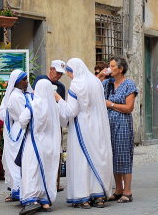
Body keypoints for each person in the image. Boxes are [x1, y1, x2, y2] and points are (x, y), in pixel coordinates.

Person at [55, 58, 113, 209]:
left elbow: (71, 111)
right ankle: (99, 195)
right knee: (97, 158)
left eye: (69, 72)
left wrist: (59, 99)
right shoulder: (96, 82)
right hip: (97, 127)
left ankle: (83, 197)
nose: (69, 76)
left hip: (81, 128)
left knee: (81, 162)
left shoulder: (76, 84)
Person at [18, 79, 64, 214]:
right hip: (50, 145)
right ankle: (45, 202)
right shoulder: (54, 106)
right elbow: (62, 121)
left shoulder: (34, 104)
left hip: (34, 142)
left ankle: (32, 199)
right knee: (48, 171)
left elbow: (22, 120)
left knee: (32, 170)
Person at [100, 56, 138, 204]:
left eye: (112, 66)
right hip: (109, 124)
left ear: (120, 69)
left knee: (124, 156)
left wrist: (111, 105)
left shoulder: (129, 84)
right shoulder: (108, 83)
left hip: (123, 124)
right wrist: (102, 74)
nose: (110, 68)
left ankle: (127, 191)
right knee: (113, 155)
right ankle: (118, 190)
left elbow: (129, 108)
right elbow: (92, 85)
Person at [0, 69, 33, 202]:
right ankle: (18, 189)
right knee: (17, 160)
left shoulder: (22, 94)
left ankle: (20, 188)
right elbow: (22, 115)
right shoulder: (15, 96)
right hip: (19, 129)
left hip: (21, 128)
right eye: (24, 80)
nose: (26, 82)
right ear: (17, 82)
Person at [33, 59, 66, 192]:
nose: (58, 76)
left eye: (60, 74)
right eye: (57, 72)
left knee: (56, 153)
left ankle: (56, 183)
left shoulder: (61, 87)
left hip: (56, 123)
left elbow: (61, 105)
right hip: (42, 122)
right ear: (51, 69)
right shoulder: (40, 80)